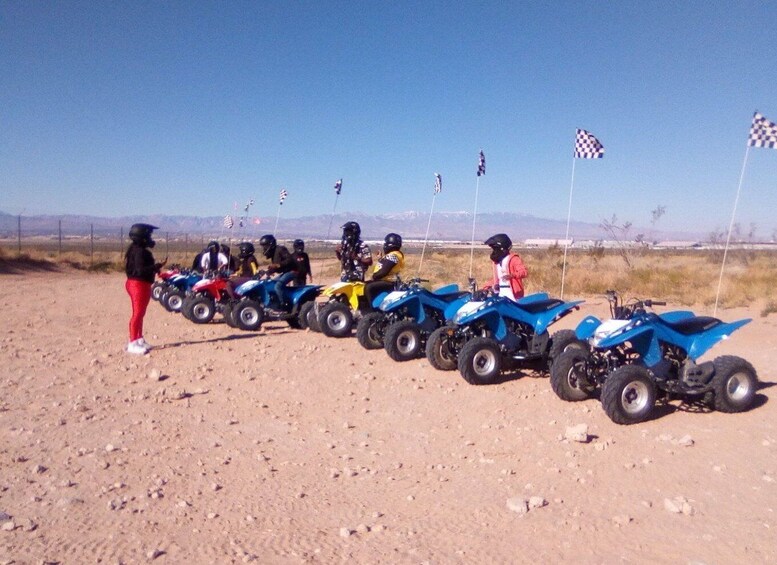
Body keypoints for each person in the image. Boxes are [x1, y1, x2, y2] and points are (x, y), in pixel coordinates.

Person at [124, 223, 166, 354]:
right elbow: (140, 270)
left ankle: (139, 339)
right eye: (148, 235)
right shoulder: (139, 252)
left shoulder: (136, 250)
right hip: (138, 285)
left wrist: (156, 268)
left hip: (140, 284)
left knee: (140, 313)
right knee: (137, 314)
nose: (150, 238)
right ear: (142, 236)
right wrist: (156, 266)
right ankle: (132, 342)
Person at [363, 232, 404, 310]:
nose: (384, 245)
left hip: (389, 282)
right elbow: (386, 264)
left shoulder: (393, 255)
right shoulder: (395, 254)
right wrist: (380, 258)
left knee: (368, 287)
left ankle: (372, 310)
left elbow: (384, 271)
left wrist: (375, 276)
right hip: (388, 281)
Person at [483, 233, 528, 301]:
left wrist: (512, 275)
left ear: (502, 249)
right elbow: (497, 279)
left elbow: (524, 272)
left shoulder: (514, 259)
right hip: (501, 294)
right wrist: (485, 288)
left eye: (495, 249)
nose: (494, 252)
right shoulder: (496, 262)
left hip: (514, 295)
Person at [259, 234, 298, 309]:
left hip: (292, 271)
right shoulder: (273, 253)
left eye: (265, 246)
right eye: (263, 246)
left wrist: (278, 265)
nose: (264, 248)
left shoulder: (280, 249)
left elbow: (289, 260)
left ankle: (284, 304)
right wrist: (268, 272)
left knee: (278, 286)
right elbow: (275, 266)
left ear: (270, 244)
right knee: (271, 284)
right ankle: (274, 303)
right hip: (285, 272)